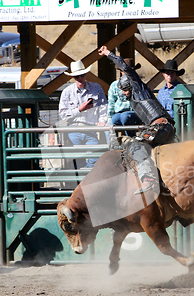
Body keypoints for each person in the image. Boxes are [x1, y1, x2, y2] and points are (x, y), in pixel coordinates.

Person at [98, 46, 176, 195]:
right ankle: (163, 183)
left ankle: (149, 179)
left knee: (137, 145)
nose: (123, 93)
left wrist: (108, 53)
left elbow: (125, 67)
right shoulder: (136, 99)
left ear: (131, 86)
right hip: (165, 128)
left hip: (160, 127)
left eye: (125, 89)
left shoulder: (139, 88)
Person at [59, 60, 108, 168]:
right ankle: (83, 177)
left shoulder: (96, 88)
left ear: (85, 75)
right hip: (74, 129)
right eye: (77, 76)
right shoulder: (67, 92)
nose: (80, 78)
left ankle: (86, 176)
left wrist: (102, 121)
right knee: (76, 159)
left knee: (95, 156)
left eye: (81, 75)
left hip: (91, 128)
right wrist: (79, 109)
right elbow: (62, 114)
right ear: (74, 78)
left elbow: (103, 106)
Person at [107, 58, 142, 137]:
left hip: (136, 113)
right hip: (119, 113)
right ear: (121, 71)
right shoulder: (114, 85)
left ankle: (132, 141)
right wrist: (109, 118)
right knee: (110, 125)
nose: (127, 73)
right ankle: (111, 145)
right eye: (124, 71)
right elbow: (111, 103)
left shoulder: (138, 84)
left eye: (129, 71)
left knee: (125, 116)